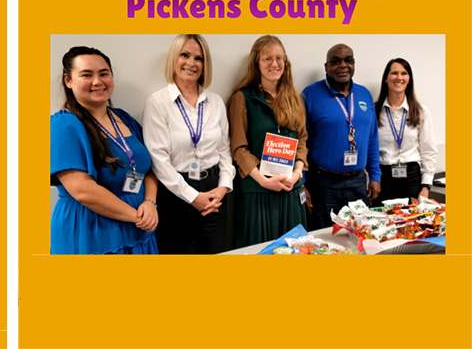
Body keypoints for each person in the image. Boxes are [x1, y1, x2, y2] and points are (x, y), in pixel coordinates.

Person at [50, 46, 159, 254]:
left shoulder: (123, 117)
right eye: (86, 75)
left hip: (139, 223)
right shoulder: (64, 125)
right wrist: (138, 216)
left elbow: (149, 168)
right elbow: (82, 190)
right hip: (92, 230)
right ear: (68, 81)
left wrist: (150, 202)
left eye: (104, 73)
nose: (98, 82)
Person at [143, 34, 235, 254]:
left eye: (199, 58)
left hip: (215, 192)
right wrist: (193, 197)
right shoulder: (157, 102)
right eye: (185, 55)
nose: (191, 63)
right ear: (174, 59)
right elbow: (159, 160)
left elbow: (224, 150)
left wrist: (223, 187)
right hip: (176, 193)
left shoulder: (215, 102)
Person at [227, 35, 308, 247]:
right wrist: (263, 180)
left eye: (279, 58)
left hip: (290, 190)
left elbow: (302, 142)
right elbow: (238, 148)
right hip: (258, 193)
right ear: (256, 63)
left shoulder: (295, 98)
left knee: (295, 252)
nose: (275, 64)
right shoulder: (242, 98)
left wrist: (297, 174)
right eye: (267, 59)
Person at [301, 44, 381, 230]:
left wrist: (375, 176)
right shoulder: (310, 95)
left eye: (348, 60)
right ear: (326, 66)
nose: (343, 65)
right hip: (323, 184)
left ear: (354, 64)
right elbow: (301, 142)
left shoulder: (364, 94)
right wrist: (302, 183)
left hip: (358, 182)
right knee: (326, 237)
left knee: (359, 234)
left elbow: (372, 138)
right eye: (335, 61)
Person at [373, 58, 437, 204]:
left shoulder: (420, 111)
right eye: (394, 73)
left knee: (411, 224)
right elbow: (370, 148)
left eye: (404, 73)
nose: (399, 77)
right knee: (385, 223)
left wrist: (426, 186)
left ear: (409, 79)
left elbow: (428, 150)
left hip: (412, 181)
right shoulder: (374, 111)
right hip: (383, 180)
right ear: (386, 78)